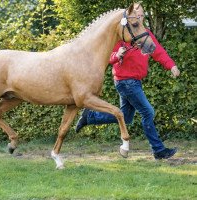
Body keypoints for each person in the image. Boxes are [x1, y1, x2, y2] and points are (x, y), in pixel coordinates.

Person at [75, 3, 180, 159]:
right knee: (148, 112)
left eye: (142, 15)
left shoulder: (145, 35)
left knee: (127, 117)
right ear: (130, 17)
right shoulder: (121, 35)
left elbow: (158, 52)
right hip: (125, 82)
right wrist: (118, 55)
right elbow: (106, 58)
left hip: (134, 81)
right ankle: (158, 150)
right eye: (137, 14)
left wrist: (171, 66)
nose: (140, 17)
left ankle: (91, 117)